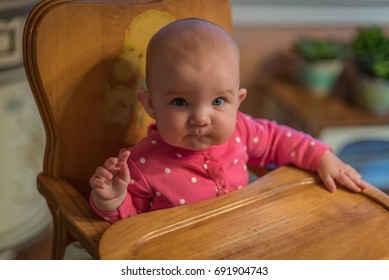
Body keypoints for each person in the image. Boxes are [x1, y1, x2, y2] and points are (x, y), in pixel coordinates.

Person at [89, 18, 369, 224]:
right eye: (179, 102)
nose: (200, 118)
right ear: (150, 104)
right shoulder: (139, 167)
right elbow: (128, 227)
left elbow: (280, 139)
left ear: (238, 101)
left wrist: (321, 157)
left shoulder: (243, 131)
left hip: (243, 235)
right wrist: (113, 200)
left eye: (218, 101)